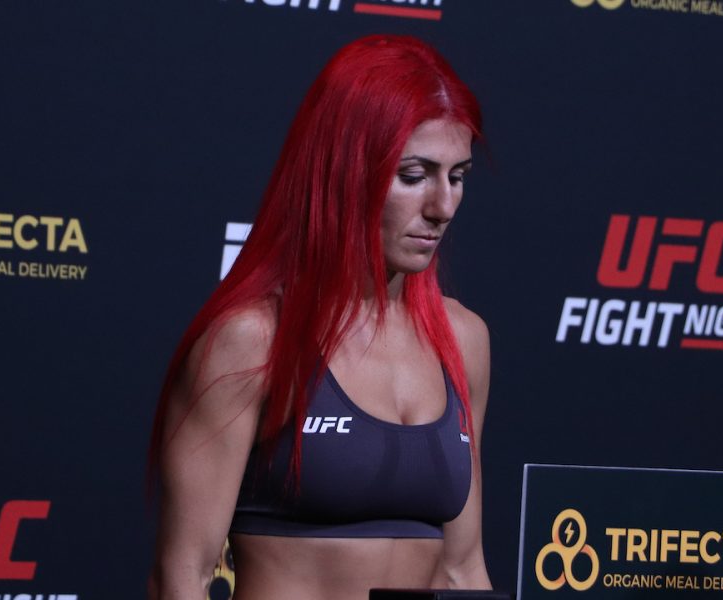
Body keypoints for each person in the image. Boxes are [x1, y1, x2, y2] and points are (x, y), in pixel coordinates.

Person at [149, 34, 492, 600]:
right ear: (345, 170)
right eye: (414, 175)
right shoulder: (252, 341)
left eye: (457, 177)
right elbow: (182, 577)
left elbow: (462, 570)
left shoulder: (462, 339)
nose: (443, 206)